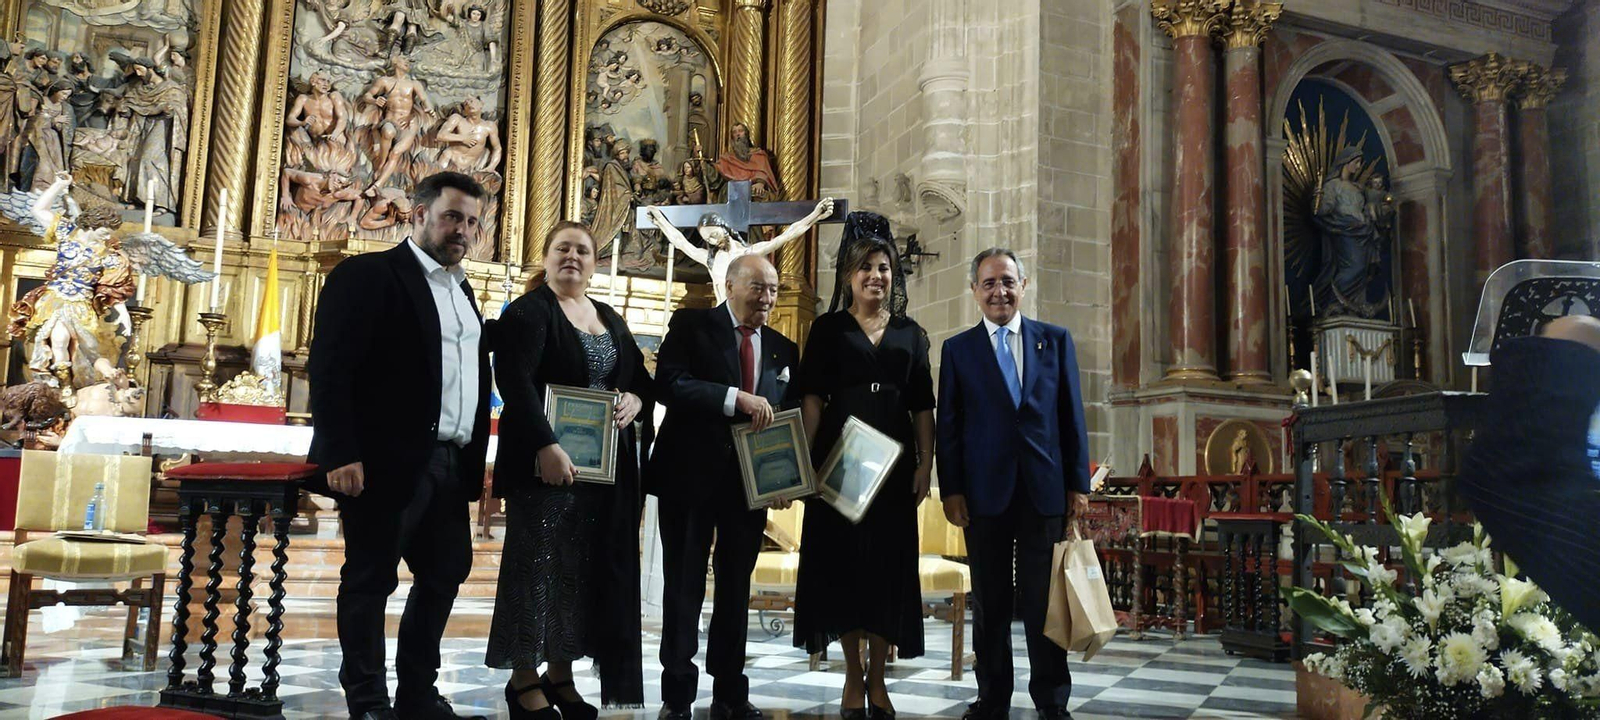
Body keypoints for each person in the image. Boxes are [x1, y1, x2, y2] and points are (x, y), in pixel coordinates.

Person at [307, 171, 492, 720]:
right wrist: (340, 451)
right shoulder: (369, 275)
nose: (462, 230)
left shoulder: (464, 292)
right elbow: (331, 367)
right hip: (386, 460)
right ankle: (367, 700)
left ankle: (416, 692)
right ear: (418, 214)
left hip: (450, 461)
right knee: (370, 578)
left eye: (473, 222)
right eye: (453, 216)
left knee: (445, 574)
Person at [486, 221, 652, 716]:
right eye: (563, 249)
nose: (573, 257)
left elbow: (641, 376)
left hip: (599, 475)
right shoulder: (529, 312)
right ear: (546, 256)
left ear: (594, 262)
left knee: (577, 575)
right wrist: (546, 445)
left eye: (582, 250)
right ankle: (522, 679)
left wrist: (636, 401)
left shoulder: (608, 316)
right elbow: (513, 382)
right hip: (544, 470)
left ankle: (561, 675)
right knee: (533, 570)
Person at [937, 248, 1090, 720]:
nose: (999, 291)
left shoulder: (1055, 340)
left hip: (1043, 490)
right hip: (983, 495)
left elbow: (1071, 417)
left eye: (1007, 281)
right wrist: (952, 490)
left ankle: (1052, 700)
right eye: (989, 283)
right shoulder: (958, 350)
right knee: (991, 602)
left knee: (1046, 604)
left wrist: (1078, 485)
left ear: (1023, 286)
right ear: (975, 292)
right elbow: (950, 426)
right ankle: (992, 697)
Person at [792, 224, 934, 720]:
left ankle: (878, 677)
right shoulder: (828, 329)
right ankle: (853, 673)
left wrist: (926, 466)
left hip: (894, 469)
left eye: (884, 268)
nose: (875, 276)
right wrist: (804, 462)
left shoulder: (910, 333)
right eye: (866, 268)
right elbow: (811, 398)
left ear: (893, 277)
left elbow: (923, 408)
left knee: (885, 572)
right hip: (839, 465)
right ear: (849, 276)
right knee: (844, 569)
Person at [651, 254, 800, 720]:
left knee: (736, 588)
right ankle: (677, 694)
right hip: (689, 479)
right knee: (684, 587)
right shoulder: (692, 326)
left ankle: (730, 691)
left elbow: (785, 421)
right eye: (758, 287)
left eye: (773, 289)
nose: (768, 298)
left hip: (748, 488)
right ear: (731, 285)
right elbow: (669, 384)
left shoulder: (783, 349)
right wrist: (736, 398)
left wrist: (783, 479)